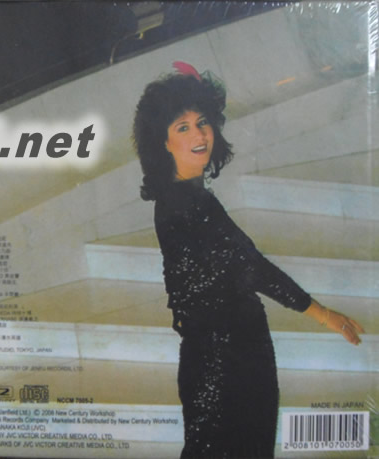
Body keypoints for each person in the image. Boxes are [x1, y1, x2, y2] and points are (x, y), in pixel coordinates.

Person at [132, 62, 364, 459]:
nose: (199, 135)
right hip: (226, 361)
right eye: (182, 127)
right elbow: (250, 267)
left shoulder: (184, 196)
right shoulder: (189, 205)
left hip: (228, 351)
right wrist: (322, 314)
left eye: (202, 122)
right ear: (163, 142)